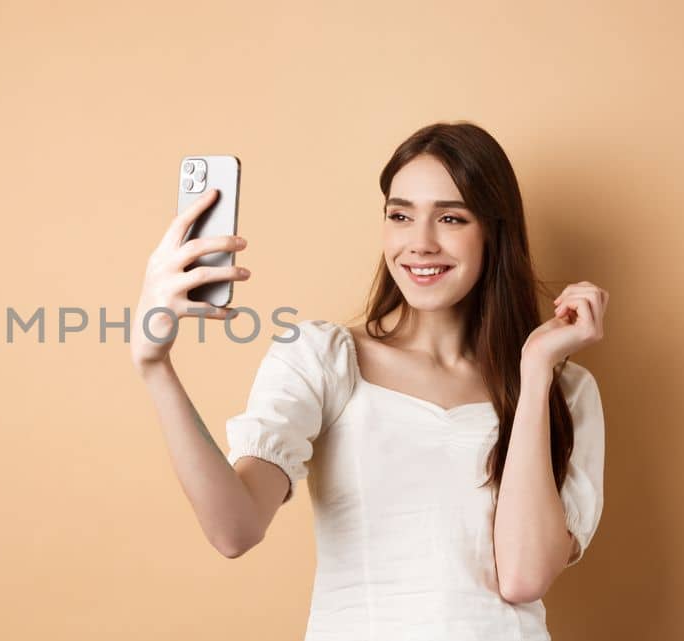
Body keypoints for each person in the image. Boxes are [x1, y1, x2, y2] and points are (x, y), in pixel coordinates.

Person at [131, 121, 607, 640]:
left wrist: (535, 372)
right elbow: (234, 529)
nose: (420, 244)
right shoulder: (323, 358)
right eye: (400, 215)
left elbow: (522, 576)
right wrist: (155, 367)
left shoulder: (565, 390)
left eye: (451, 218)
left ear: (495, 231)